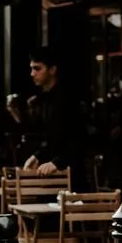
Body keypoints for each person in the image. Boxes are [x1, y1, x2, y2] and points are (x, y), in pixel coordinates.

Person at [20, 50, 83, 180]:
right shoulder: (43, 99)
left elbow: (78, 138)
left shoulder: (67, 99)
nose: (32, 74)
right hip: (52, 173)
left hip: (71, 173)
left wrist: (57, 162)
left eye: (37, 68)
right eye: (31, 68)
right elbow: (49, 138)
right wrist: (37, 156)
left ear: (52, 70)